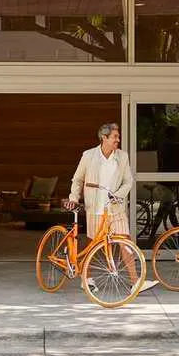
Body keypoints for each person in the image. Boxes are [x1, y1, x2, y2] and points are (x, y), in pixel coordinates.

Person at [66, 123, 158, 294]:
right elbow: (77, 179)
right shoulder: (89, 156)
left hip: (115, 208)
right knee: (93, 245)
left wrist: (118, 195)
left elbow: (128, 181)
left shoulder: (122, 157)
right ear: (104, 138)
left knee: (125, 242)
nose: (118, 140)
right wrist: (73, 198)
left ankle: (135, 282)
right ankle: (86, 279)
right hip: (95, 207)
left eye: (118, 136)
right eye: (115, 137)